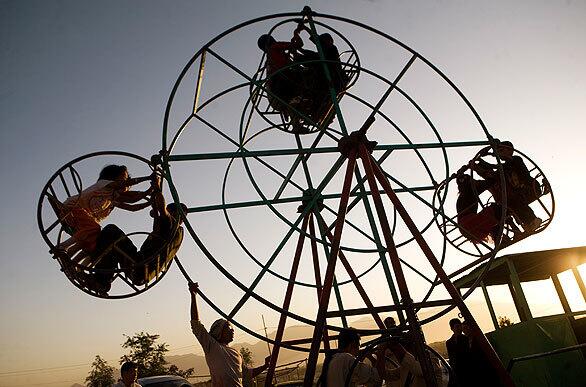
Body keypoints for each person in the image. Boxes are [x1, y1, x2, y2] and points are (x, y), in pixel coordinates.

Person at [87, 174, 186, 294]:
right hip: (143, 272)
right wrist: (154, 206)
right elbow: (157, 226)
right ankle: (102, 281)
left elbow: (162, 209)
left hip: (139, 265)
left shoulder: (171, 223)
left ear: (174, 213)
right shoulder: (174, 233)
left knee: (111, 231)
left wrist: (157, 188)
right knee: (113, 247)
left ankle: (101, 280)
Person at [53, 164, 153, 259]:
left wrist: (149, 196)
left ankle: (72, 258)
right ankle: (63, 246)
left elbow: (132, 203)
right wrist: (147, 178)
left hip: (79, 218)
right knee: (94, 228)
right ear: (111, 177)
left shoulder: (112, 199)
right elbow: (124, 185)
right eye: (123, 178)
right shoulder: (105, 184)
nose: (125, 182)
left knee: (95, 241)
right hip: (72, 207)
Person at [188, 282, 270, 386]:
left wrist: (265, 365)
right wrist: (193, 296)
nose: (232, 330)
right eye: (228, 328)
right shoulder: (212, 346)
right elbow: (196, 324)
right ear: (219, 331)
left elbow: (248, 374)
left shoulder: (236, 353)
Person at [470, 141, 543, 233]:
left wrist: (488, 158)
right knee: (509, 204)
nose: (499, 154)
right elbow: (494, 172)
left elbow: (500, 167)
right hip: (520, 191)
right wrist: (480, 166)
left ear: (510, 150)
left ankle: (532, 220)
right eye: (498, 151)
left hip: (530, 188)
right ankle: (525, 223)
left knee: (514, 200)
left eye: (501, 150)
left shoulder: (515, 159)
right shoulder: (504, 168)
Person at [455, 172, 502, 244]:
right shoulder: (471, 189)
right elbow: (487, 183)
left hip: (464, 227)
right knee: (497, 209)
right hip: (470, 223)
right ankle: (502, 237)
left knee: (490, 216)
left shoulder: (461, 196)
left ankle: (500, 238)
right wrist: (493, 177)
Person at [461, 321, 500, 387]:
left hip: (484, 370)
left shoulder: (479, 339)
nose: (464, 331)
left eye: (466, 328)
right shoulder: (466, 342)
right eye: (463, 329)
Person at [445, 318, 470, 387]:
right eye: (457, 326)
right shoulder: (449, 342)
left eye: (460, 326)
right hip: (457, 371)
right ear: (452, 328)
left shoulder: (466, 339)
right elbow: (451, 357)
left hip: (467, 369)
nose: (459, 328)